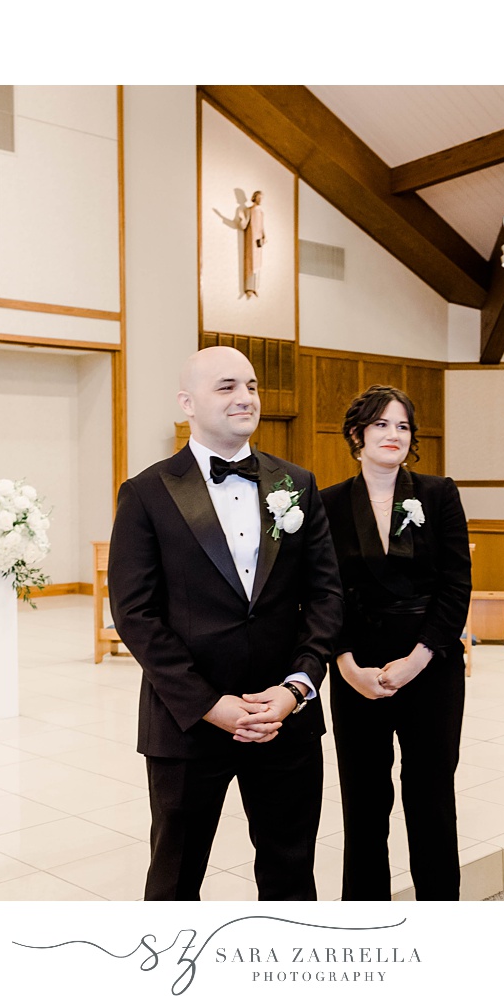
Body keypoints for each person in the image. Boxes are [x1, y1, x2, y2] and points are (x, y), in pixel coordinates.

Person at [108, 346, 343, 900]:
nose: (245, 398)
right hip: (189, 722)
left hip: (283, 719)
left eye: (253, 386)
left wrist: (295, 688)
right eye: (227, 386)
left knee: (291, 872)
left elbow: (327, 598)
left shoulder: (297, 484)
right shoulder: (146, 493)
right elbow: (135, 614)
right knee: (175, 877)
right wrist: (212, 704)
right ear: (187, 403)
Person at [319, 384, 471, 900]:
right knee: (363, 803)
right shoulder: (328, 503)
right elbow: (323, 592)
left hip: (431, 664)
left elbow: (456, 585)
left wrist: (419, 657)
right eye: (381, 424)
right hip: (358, 671)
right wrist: (345, 664)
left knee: (431, 796)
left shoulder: (438, 493)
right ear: (358, 435)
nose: (393, 434)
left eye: (403, 425)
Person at [237, 190, 265, 297]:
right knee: (250, 262)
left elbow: (262, 227)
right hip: (250, 239)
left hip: (258, 240)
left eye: (262, 198)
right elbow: (244, 225)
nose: (261, 200)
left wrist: (264, 236)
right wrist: (242, 218)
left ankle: (255, 287)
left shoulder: (261, 212)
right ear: (255, 198)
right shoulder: (250, 210)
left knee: (258, 263)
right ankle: (249, 287)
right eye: (259, 198)